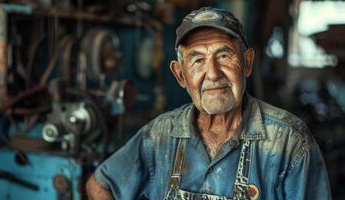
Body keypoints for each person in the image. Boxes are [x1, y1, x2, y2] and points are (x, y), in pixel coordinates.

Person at [86, 7, 331, 200]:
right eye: (197, 60)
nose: (213, 74)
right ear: (180, 75)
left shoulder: (288, 142)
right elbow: (99, 185)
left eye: (224, 56)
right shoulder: (160, 135)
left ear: (246, 63)